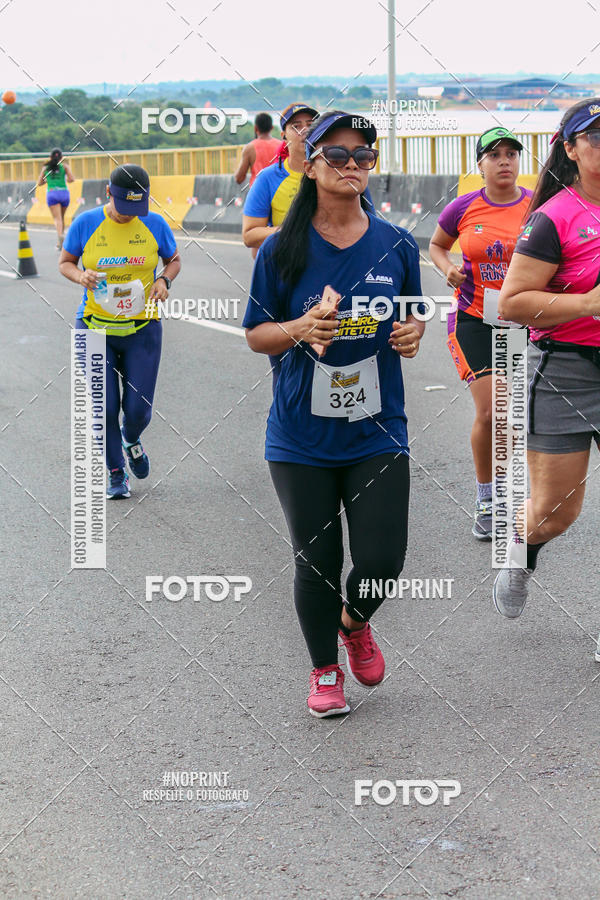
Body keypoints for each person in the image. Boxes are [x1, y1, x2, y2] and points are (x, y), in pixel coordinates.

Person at [243, 111, 425, 718]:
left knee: (382, 560)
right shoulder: (281, 249)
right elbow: (256, 335)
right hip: (301, 435)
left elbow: (412, 311)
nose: (353, 165)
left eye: (363, 155)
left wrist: (411, 332)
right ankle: (324, 670)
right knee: (317, 561)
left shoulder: (396, 243)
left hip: (378, 426)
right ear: (311, 163)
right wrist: (298, 327)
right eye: (339, 154)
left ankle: (355, 622)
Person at [491, 100, 600, 643]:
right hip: (569, 370)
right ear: (572, 148)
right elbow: (512, 303)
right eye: (597, 135)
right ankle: (520, 550)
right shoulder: (554, 217)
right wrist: (588, 305)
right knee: (556, 512)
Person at [429, 127, 532, 540]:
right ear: (481, 165)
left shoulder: (538, 205)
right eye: (494, 155)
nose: (504, 161)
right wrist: (447, 268)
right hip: (474, 319)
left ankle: (517, 494)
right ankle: (487, 499)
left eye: (511, 153)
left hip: (523, 322)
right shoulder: (463, 207)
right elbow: (437, 245)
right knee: (491, 411)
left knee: (516, 415)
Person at [59, 164, 181, 499]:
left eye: (136, 208)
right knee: (104, 406)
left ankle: (131, 438)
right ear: (108, 193)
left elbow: (174, 259)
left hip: (143, 328)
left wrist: (163, 279)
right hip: (95, 328)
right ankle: (116, 472)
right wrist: (79, 276)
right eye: (124, 207)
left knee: (138, 410)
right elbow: (65, 262)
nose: (129, 215)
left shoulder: (154, 223)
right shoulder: (86, 223)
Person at [242, 102, 318, 251]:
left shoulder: (336, 172)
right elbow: (249, 236)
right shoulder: (267, 178)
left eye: (311, 125)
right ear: (283, 136)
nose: (305, 130)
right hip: (290, 268)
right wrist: (293, 231)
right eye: (296, 126)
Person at [37, 148, 75, 250]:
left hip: (52, 193)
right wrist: (64, 179)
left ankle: (60, 237)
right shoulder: (65, 166)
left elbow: (39, 183)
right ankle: (61, 241)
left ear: (51, 157)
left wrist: (49, 181)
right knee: (62, 218)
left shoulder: (45, 168)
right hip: (64, 193)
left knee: (57, 219)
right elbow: (71, 179)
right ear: (61, 158)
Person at [234, 113, 282, 186]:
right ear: (272, 128)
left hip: (258, 192)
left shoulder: (249, 148)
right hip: (279, 190)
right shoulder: (281, 146)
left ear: (256, 128)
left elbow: (239, 178)